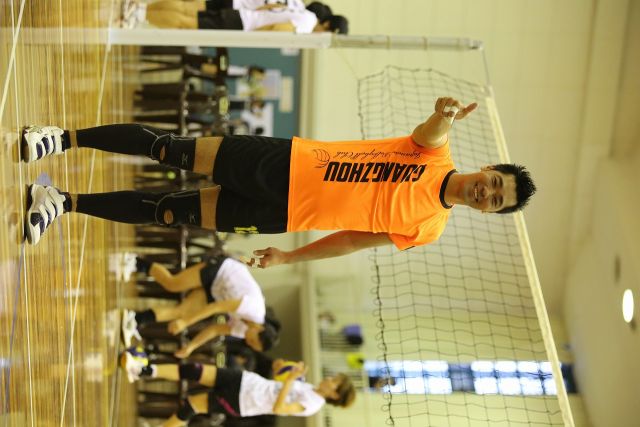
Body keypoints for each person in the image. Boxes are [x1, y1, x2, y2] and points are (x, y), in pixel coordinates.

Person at [21, 97, 537, 268]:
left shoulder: (428, 229)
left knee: (169, 212)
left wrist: (291, 257)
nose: (487, 192)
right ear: (488, 168)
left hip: (282, 215)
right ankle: (60, 138)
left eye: (496, 201)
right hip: (283, 163)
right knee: (169, 150)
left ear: (489, 211)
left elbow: (354, 240)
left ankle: (61, 202)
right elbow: (431, 131)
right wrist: (444, 114)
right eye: (495, 182)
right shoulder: (434, 152)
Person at [120, 348, 355, 425]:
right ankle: (141, 370)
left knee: (190, 405)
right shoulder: (310, 387)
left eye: (334, 381)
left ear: (335, 394)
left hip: (242, 402)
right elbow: (276, 388)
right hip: (247, 381)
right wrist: (281, 371)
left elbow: (279, 408)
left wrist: (291, 379)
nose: (330, 378)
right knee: (194, 370)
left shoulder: (312, 404)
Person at [121, 255, 279, 357]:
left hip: (217, 291)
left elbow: (214, 330)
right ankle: (135, 262)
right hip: (222, 270)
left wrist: (191, 347)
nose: (248, 342)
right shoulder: (254, 308)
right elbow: (215, 308)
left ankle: (135, 319)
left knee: (180, 312)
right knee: (173, 284)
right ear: (260, 329)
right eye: (253, 342)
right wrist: (185, 323)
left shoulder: (245, 331)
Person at [142, 0, 348, 34]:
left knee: (188, 8)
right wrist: (254, 35)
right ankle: (143, 13)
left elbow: (272, 6)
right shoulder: (307, 25)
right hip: (241, 21)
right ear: (327, 24)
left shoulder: (304, 11)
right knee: (186, 23)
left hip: (243, 11)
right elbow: (278, 30)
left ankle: (143, 9)